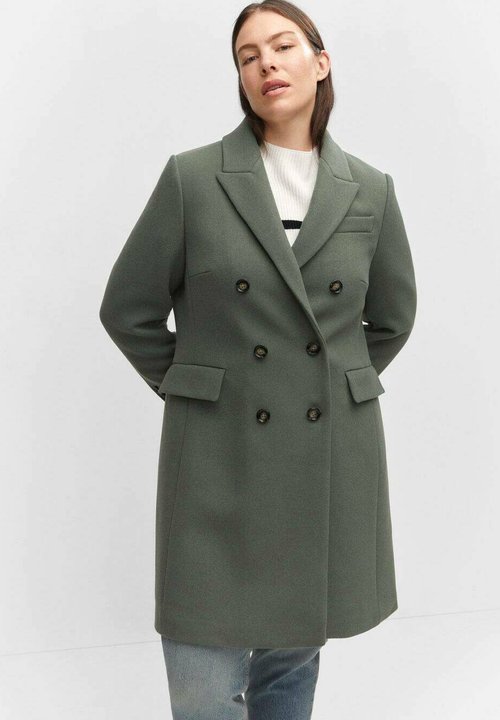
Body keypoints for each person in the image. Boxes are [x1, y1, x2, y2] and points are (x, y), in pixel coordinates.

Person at [99, 1, 417, 717]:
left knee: (290, 664)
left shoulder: (370, 189)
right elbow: (128, 308)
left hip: (322, 454)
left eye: (282, 46)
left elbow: (393, 318)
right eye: (248, 56)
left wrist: (324, 383)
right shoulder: (193, 178)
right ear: (241, 79)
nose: (266, 62)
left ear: (320, 62)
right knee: (203, 677)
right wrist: (200, 388)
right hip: (217, 455)